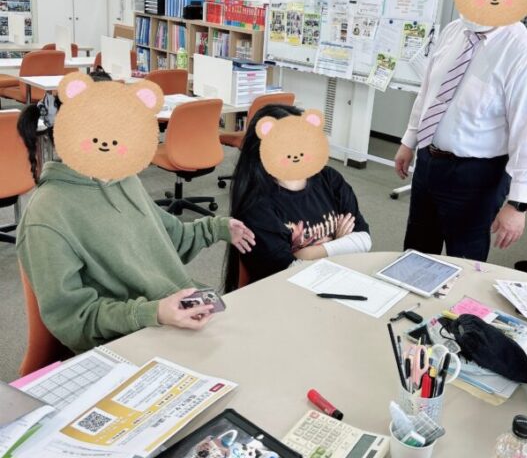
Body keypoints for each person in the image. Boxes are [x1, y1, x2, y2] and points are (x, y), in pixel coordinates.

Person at [16, 72, 255, 353]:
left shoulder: (122, 175)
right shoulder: (47, 215)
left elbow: (170, 239)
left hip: (176, 316)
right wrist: (153, 313)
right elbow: (75, 321)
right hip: (129, 341)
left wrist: (216, 228)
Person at [395, 0, 527, 261]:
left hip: (477, 176)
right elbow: (429, 91)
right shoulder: (455, 31)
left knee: (464, 259)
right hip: (429, 161)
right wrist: (409, 141)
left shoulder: (524, 55)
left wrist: (518, 203)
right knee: (417, 250)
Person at [224, 105, 371, 291]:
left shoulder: (329, 179)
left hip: (334, 282)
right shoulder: (256, 206)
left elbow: (364, 240)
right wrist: (339, 244)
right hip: (284, 294)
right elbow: (290, 272)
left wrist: (309, 253)